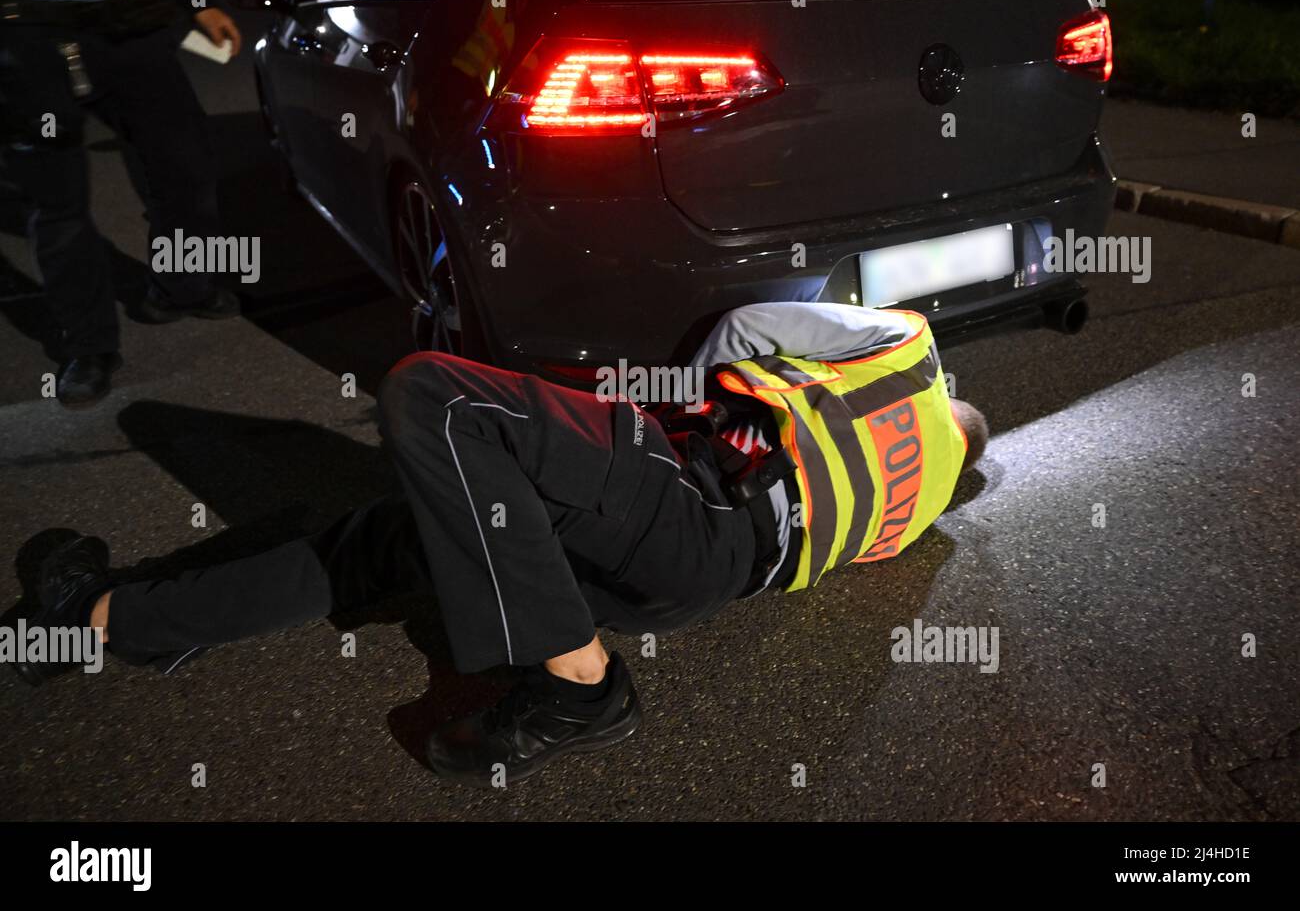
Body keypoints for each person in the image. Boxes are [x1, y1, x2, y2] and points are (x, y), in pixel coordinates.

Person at [11, 303, 989, 788]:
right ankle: (113, 618)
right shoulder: (913, 511)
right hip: (691, 584)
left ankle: (577, 679)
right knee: (391, 540)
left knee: (435, 397)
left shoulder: (905, 342)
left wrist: (650, 419)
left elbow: (740, 329)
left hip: (674, 496)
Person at [0, 0, 242, 408]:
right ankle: (89, 348)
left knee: (186, 168)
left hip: (133, 24)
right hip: (25, 34)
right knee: (57, 203)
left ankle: (181, 286)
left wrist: (199, 1)